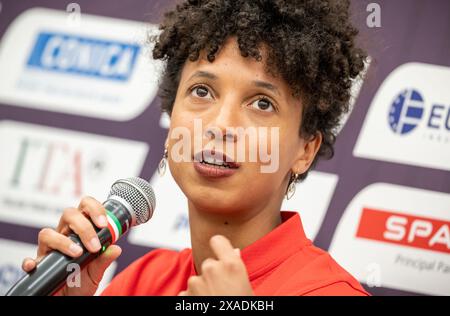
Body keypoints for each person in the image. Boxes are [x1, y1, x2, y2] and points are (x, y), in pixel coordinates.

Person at [22, 0, 369, 296]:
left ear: (305, 151)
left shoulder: (330, 290)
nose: (220, 125)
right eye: (202, 91)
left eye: (262, 103)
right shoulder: (144, 280)